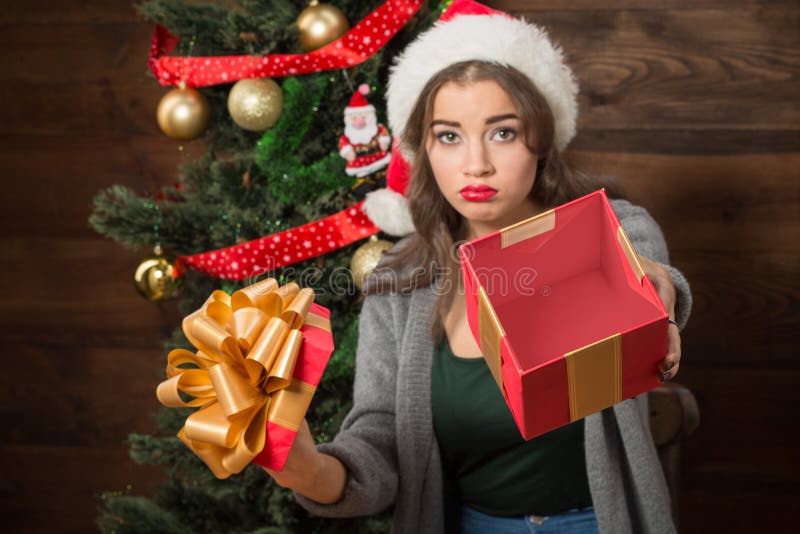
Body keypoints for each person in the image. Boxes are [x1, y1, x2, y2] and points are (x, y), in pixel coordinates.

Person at [263, 2, 692, 533]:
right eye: (449, 136)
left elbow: (651, 277)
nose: (476, 164)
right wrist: (306, 469)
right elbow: (381, 442)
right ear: (423, 149)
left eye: (502, 132)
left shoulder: (614, 231)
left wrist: (656, 289)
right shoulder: (396, 283)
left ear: (541, 139)